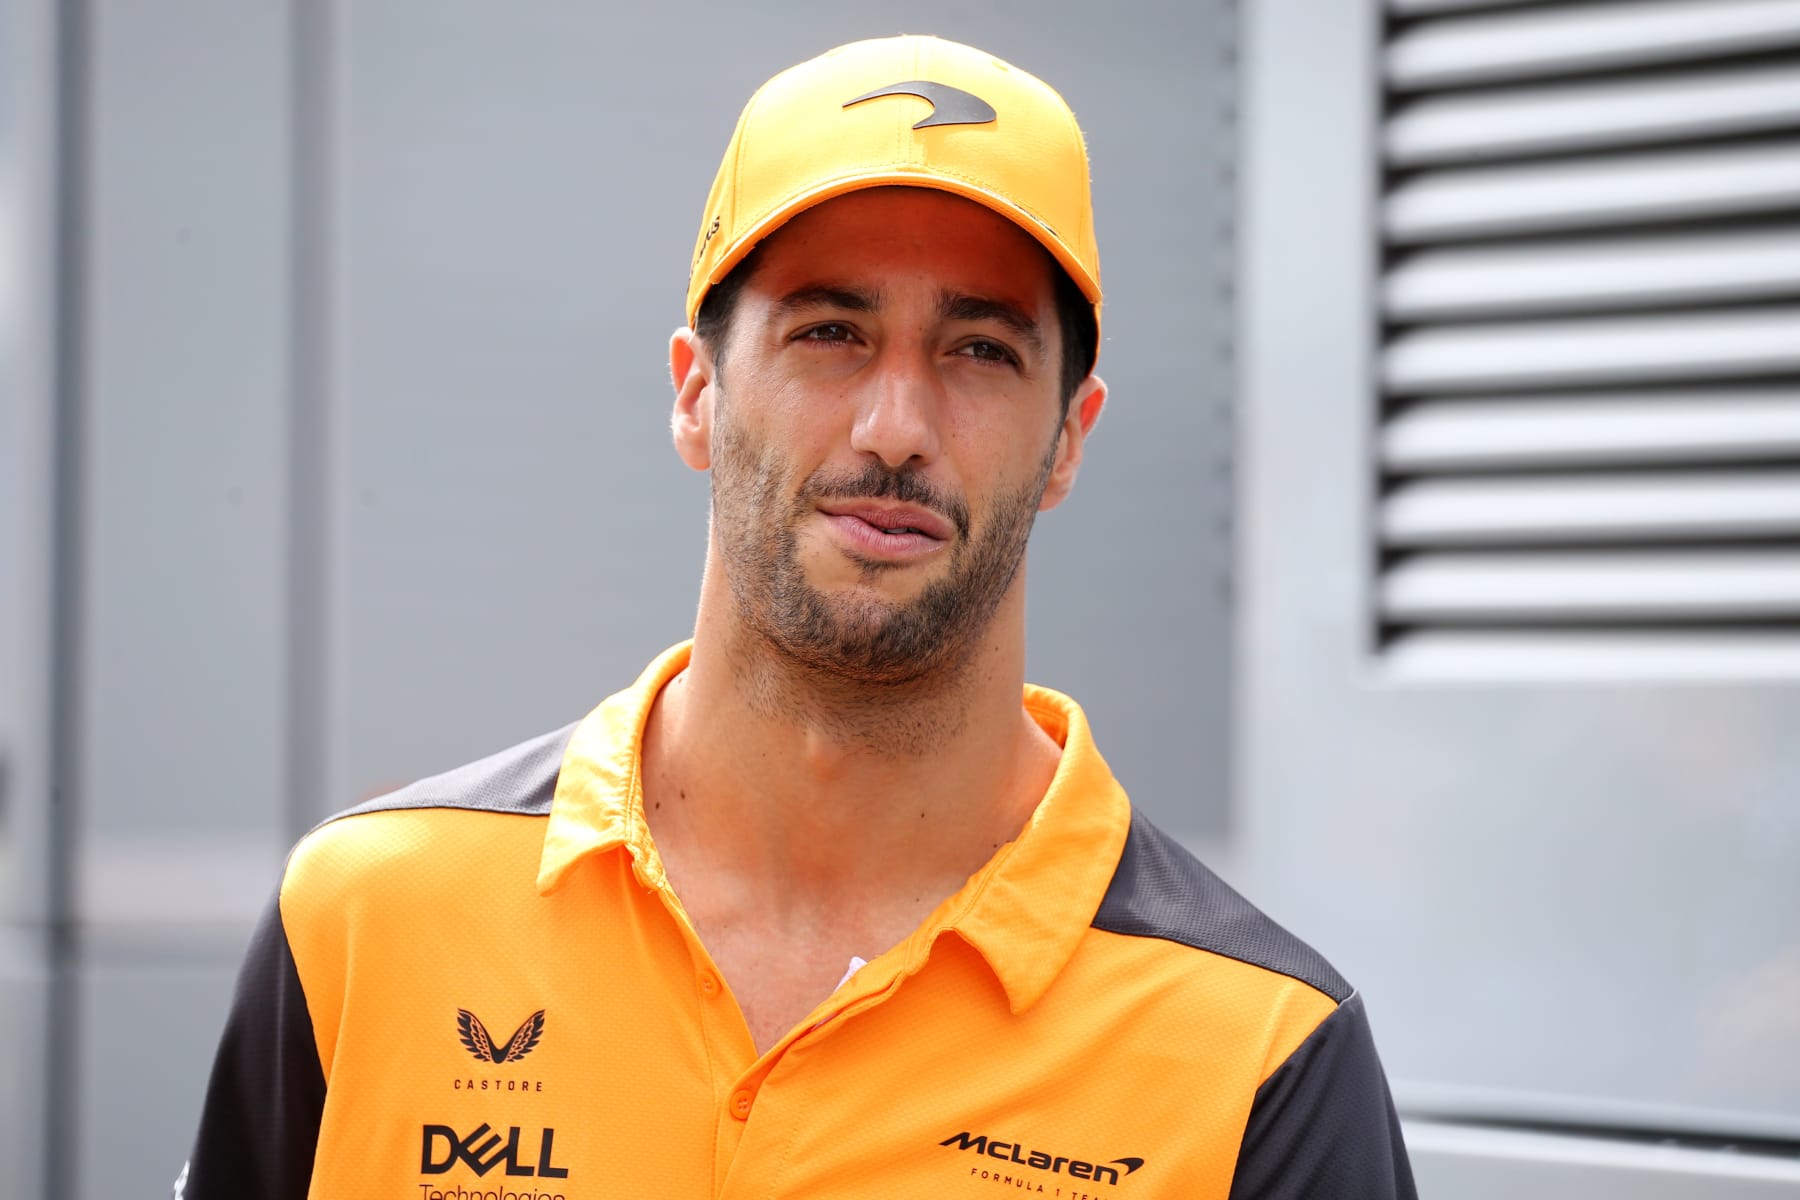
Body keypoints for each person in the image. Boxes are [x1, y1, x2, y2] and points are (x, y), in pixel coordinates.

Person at [176, 34, 1415, 1199]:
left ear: (1067, 443)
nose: (895, 430)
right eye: (830, 331)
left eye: (981, 351)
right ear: (697, 395)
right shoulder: (370, 921)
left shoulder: (1259, 1054)